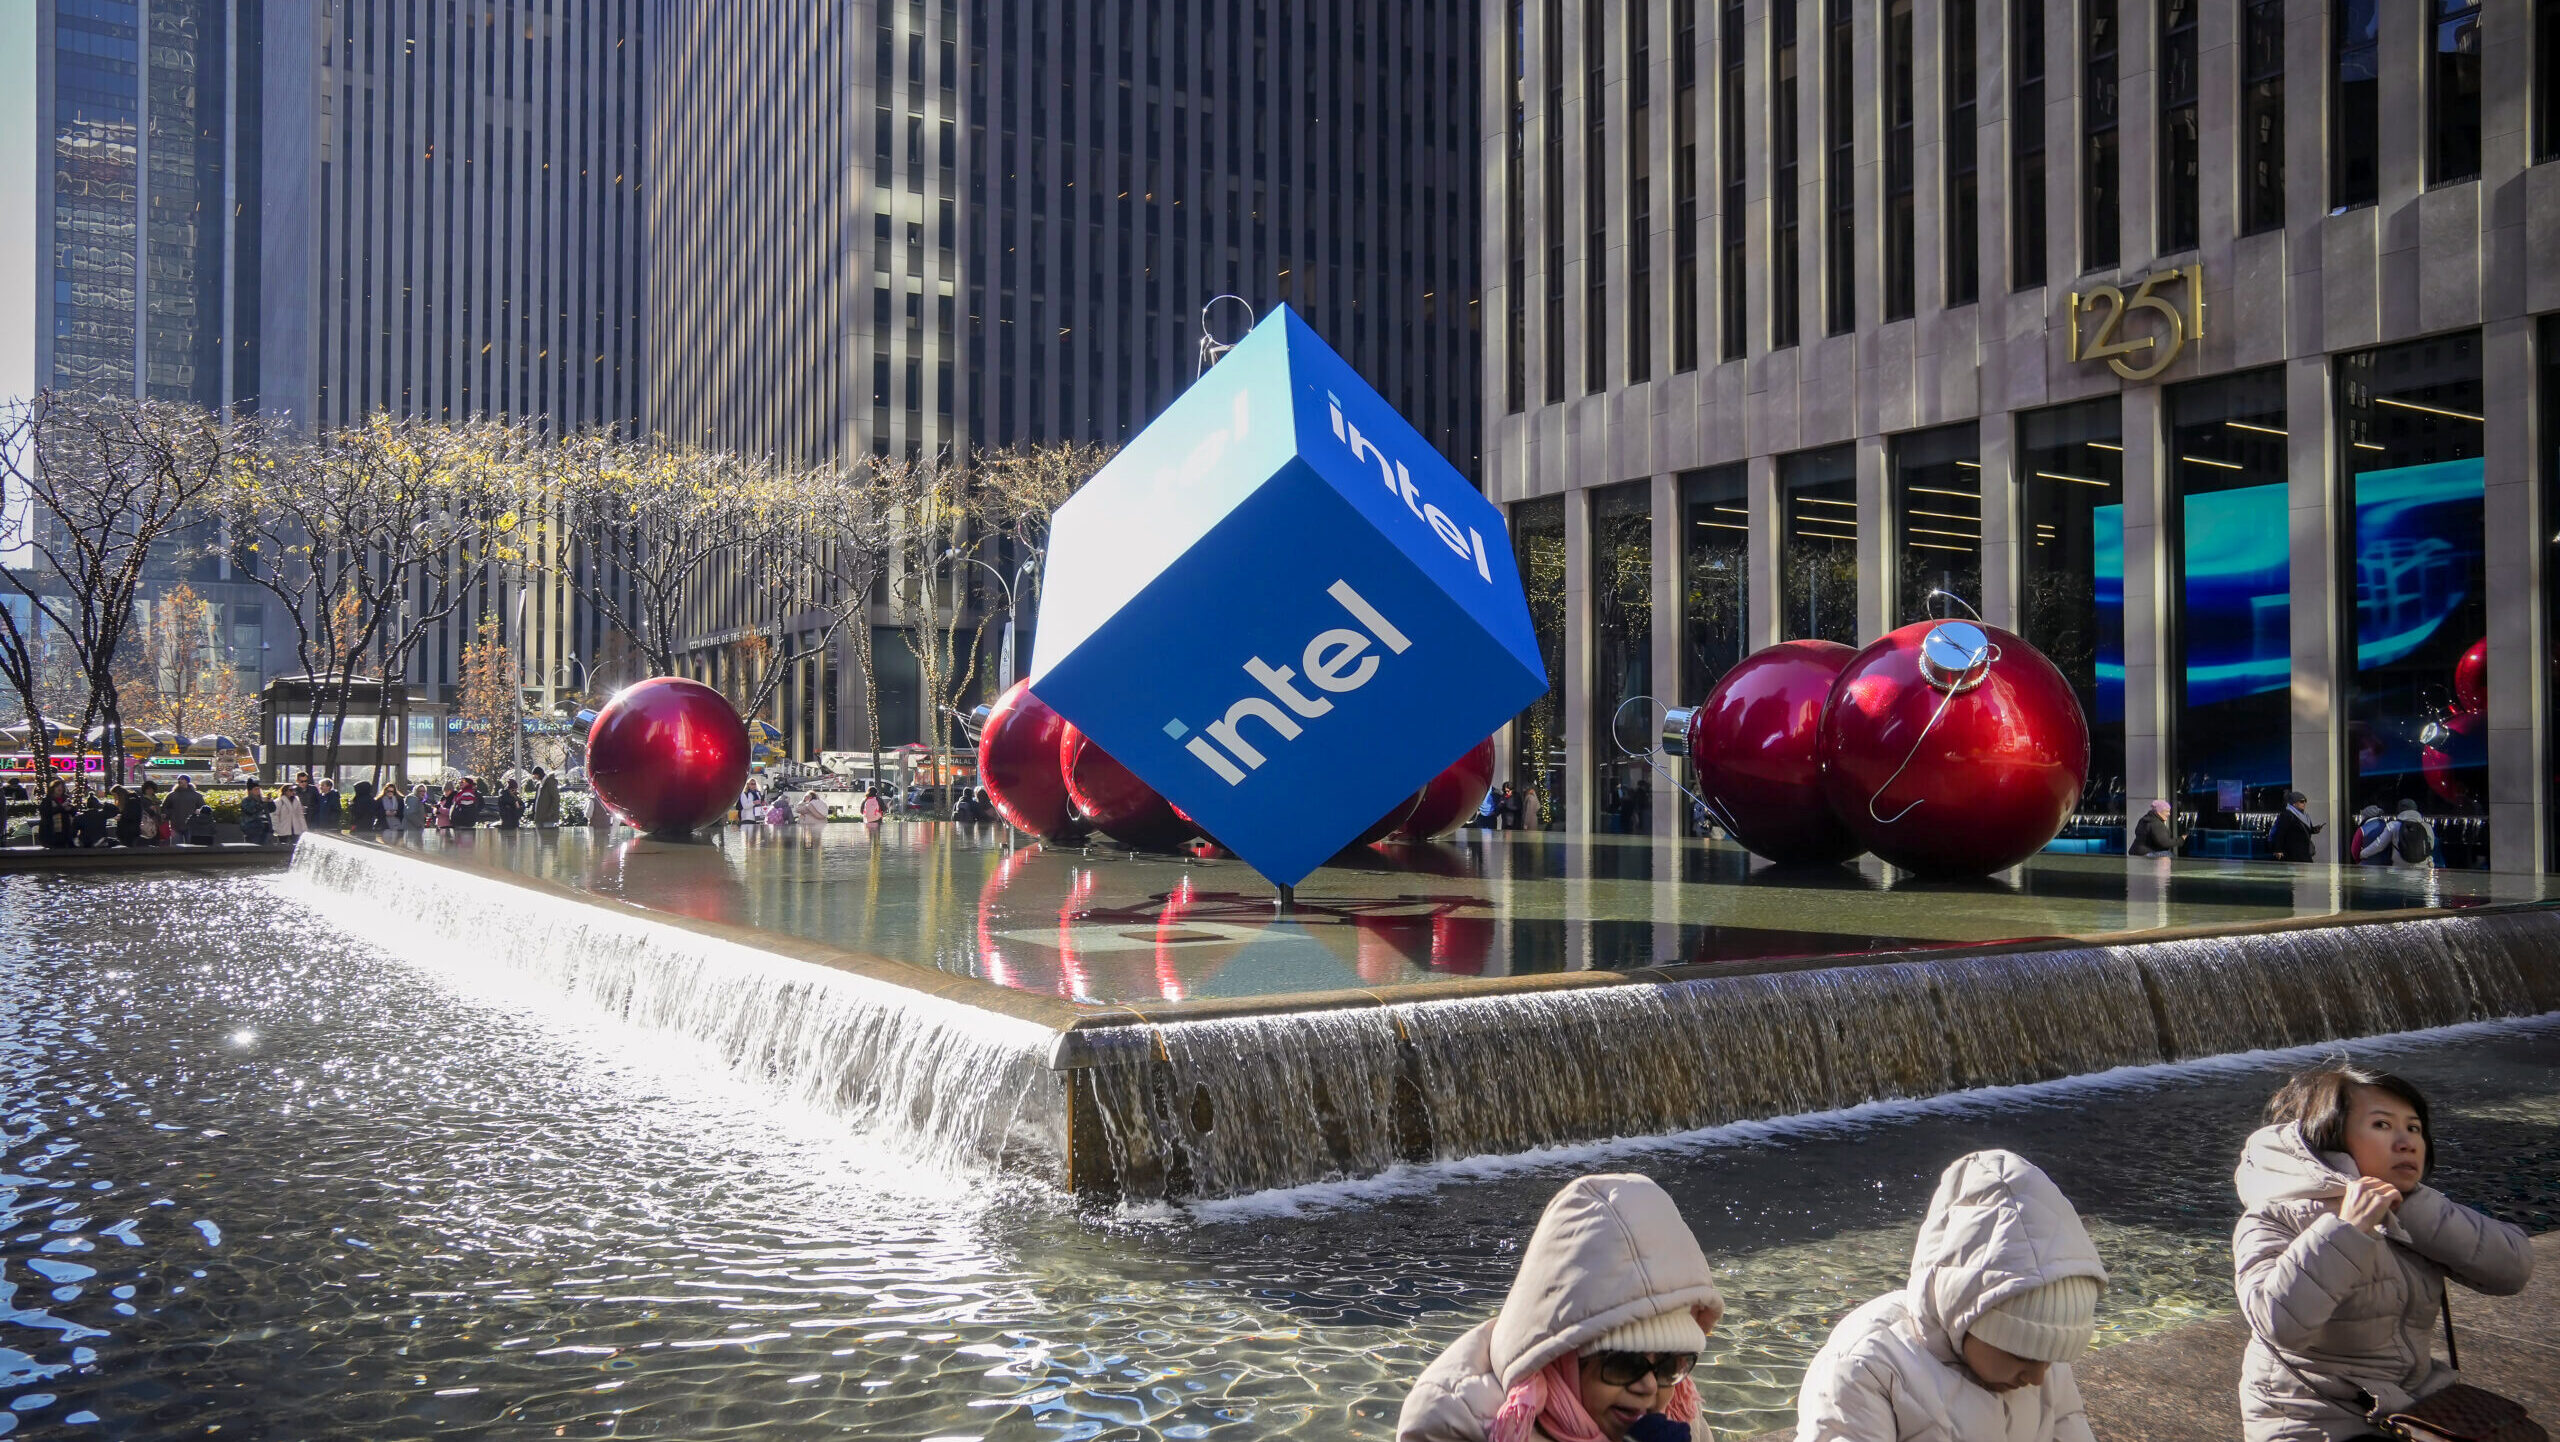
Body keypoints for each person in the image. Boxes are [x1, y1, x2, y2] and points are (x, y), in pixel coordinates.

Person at [2232, 1065, 2533, 1442]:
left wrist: (2414, 1209)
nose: (2407, 1141)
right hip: (2312, 1416)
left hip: (2412, 1404)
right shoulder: (2274, 1214)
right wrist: (2346, 1230)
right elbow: (2277, 1322)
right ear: (2331, 1137)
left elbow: (2512, 1269)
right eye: (2382, 1125)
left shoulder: (2408, 1208)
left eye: (2414, 1128)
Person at [1795, 1150, 2104, 1442]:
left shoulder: (2042, 1355)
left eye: (2051, 1358)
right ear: (1965, 1313)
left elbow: (2069, 1427)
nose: (2038, 1377)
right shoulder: (1867, 1367)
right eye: (2021, 1355)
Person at [1399, 1173, 1722, 1442]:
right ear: (1562, 1355)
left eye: (1669, 1364)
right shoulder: (1453, 1419)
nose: (1649, 1384)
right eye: (1625, 1363)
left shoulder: (1675, 1403)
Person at [2269, 791, 2321, 863]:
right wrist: (2278, 850)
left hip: (2304, 851)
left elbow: (2305, 829)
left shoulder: (2305, 815)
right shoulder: (2287, 815)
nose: (2304, 803)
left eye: (2305, 801)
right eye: (2301, 801)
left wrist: (2314, 830)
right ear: (2294, 803)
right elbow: (2280, 833)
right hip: (2293, 852)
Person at [37, 780, 76, 848]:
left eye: (61, 787)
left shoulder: (66, 799)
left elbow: (73, 812)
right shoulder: (47, 800)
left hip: (66, 833)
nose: (60, 788)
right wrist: (61, 807)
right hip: (51, 833)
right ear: (53, 788)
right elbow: (46, 812)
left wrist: (70, 809)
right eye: (57, 787)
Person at [164, 775, 204, 840]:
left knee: (191, 847)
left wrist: (199, 812)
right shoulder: (172, 795)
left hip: (191, 826)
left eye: (182, 779)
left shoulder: (196, 795)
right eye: (179, 779)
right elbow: (165, 808)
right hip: (175, 825)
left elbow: (203, 808)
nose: (180, 780)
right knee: (176, 848)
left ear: (187, 781)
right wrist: (169, 815)